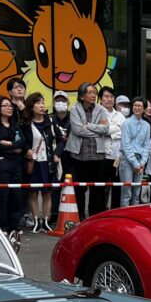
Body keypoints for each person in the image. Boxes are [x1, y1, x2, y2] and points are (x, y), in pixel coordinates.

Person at [66, 82, 109, 217]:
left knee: (98, 190)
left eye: (94, 92)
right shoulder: (75, 109)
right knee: (80, 189)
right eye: (90, 92)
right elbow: (78, 130)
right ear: (81, 96)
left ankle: (96, 217)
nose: (93, 95)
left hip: (98, 155)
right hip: (79, 155)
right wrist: (97, 131)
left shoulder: (101, 109)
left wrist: (89, 126)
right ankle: (80, 217)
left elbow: (105, 129)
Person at [0, 95, 27, 233]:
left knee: (16, 195)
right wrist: (13, 147)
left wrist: (9, 144)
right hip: (1, 163)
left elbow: (22, 142)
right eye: (5, 106)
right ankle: (2, 225)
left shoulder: (14, 124)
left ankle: (14, 225)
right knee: (2, 195)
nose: (9, 108)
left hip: (16, 163)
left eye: (10, 106)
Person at [22, 92, 59, 232]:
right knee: (33, 193)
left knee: (47, 193)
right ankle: (36, 220)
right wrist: (27, 150)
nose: (41, 105)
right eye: (38, 103)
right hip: (34, 162)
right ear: (31, 106)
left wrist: (57, 154)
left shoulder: (50, 122)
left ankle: (46, 221)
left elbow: (60, 140)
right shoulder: (26, 124)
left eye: (42, 102)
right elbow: (22, 142)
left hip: (48, 162)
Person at [119, 97, 150, 206]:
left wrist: (143, 162)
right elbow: (126, 145)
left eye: (140, 106)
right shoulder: (126, 123)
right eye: (135, 105)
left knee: (137, 193)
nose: (137, 108)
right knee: (126, 193)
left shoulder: (147, 125)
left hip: (140, 161)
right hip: (127, 160)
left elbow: (146, 145)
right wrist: (136, 164)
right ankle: (124, 215)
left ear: (144, 109)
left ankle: (134, 214)